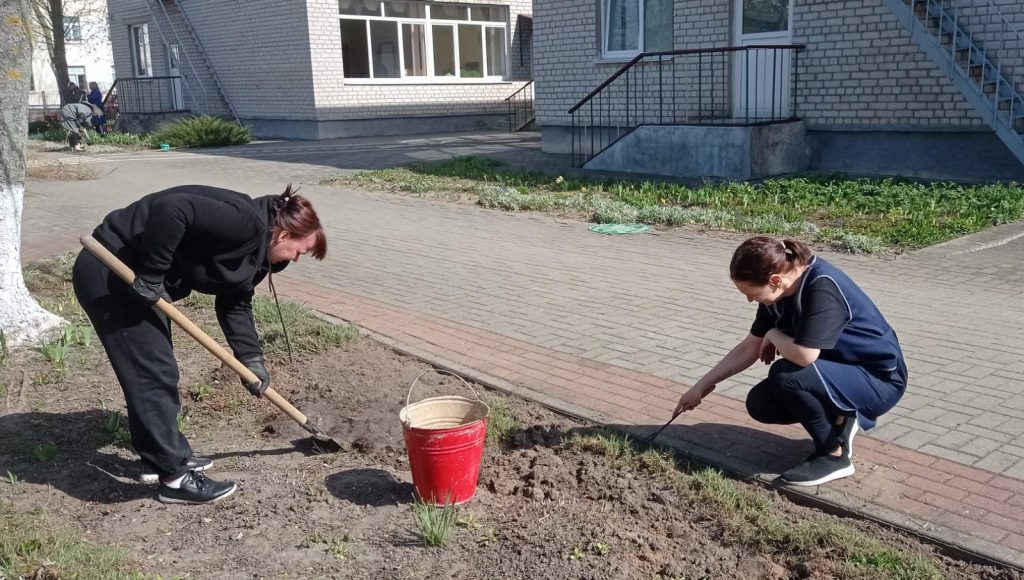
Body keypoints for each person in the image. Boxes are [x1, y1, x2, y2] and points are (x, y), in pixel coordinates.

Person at [72, 185, 327, 504]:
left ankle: (158, 458)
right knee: (152, 373)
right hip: (112, 270)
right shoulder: (244, 223)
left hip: (137, 281)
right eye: (300, 251)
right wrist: (152, 274)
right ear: (284, 235)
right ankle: (175, 478)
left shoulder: (254, 253)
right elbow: (174, 208)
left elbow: (235, 301)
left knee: (154, 370)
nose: (295, 259)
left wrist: (251, 359)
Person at [674, 236, 907, 486]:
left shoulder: (821, 286)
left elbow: (805, 356)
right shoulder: (778, 293)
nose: (750, 300)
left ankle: (834, 455)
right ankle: (841, 418)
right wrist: (700, 387)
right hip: (838, 372)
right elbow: (749, 347)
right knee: (761, 403)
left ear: (775, 281)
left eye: (751, 293)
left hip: (879, 379)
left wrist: (774, 334)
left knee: (786, 375)